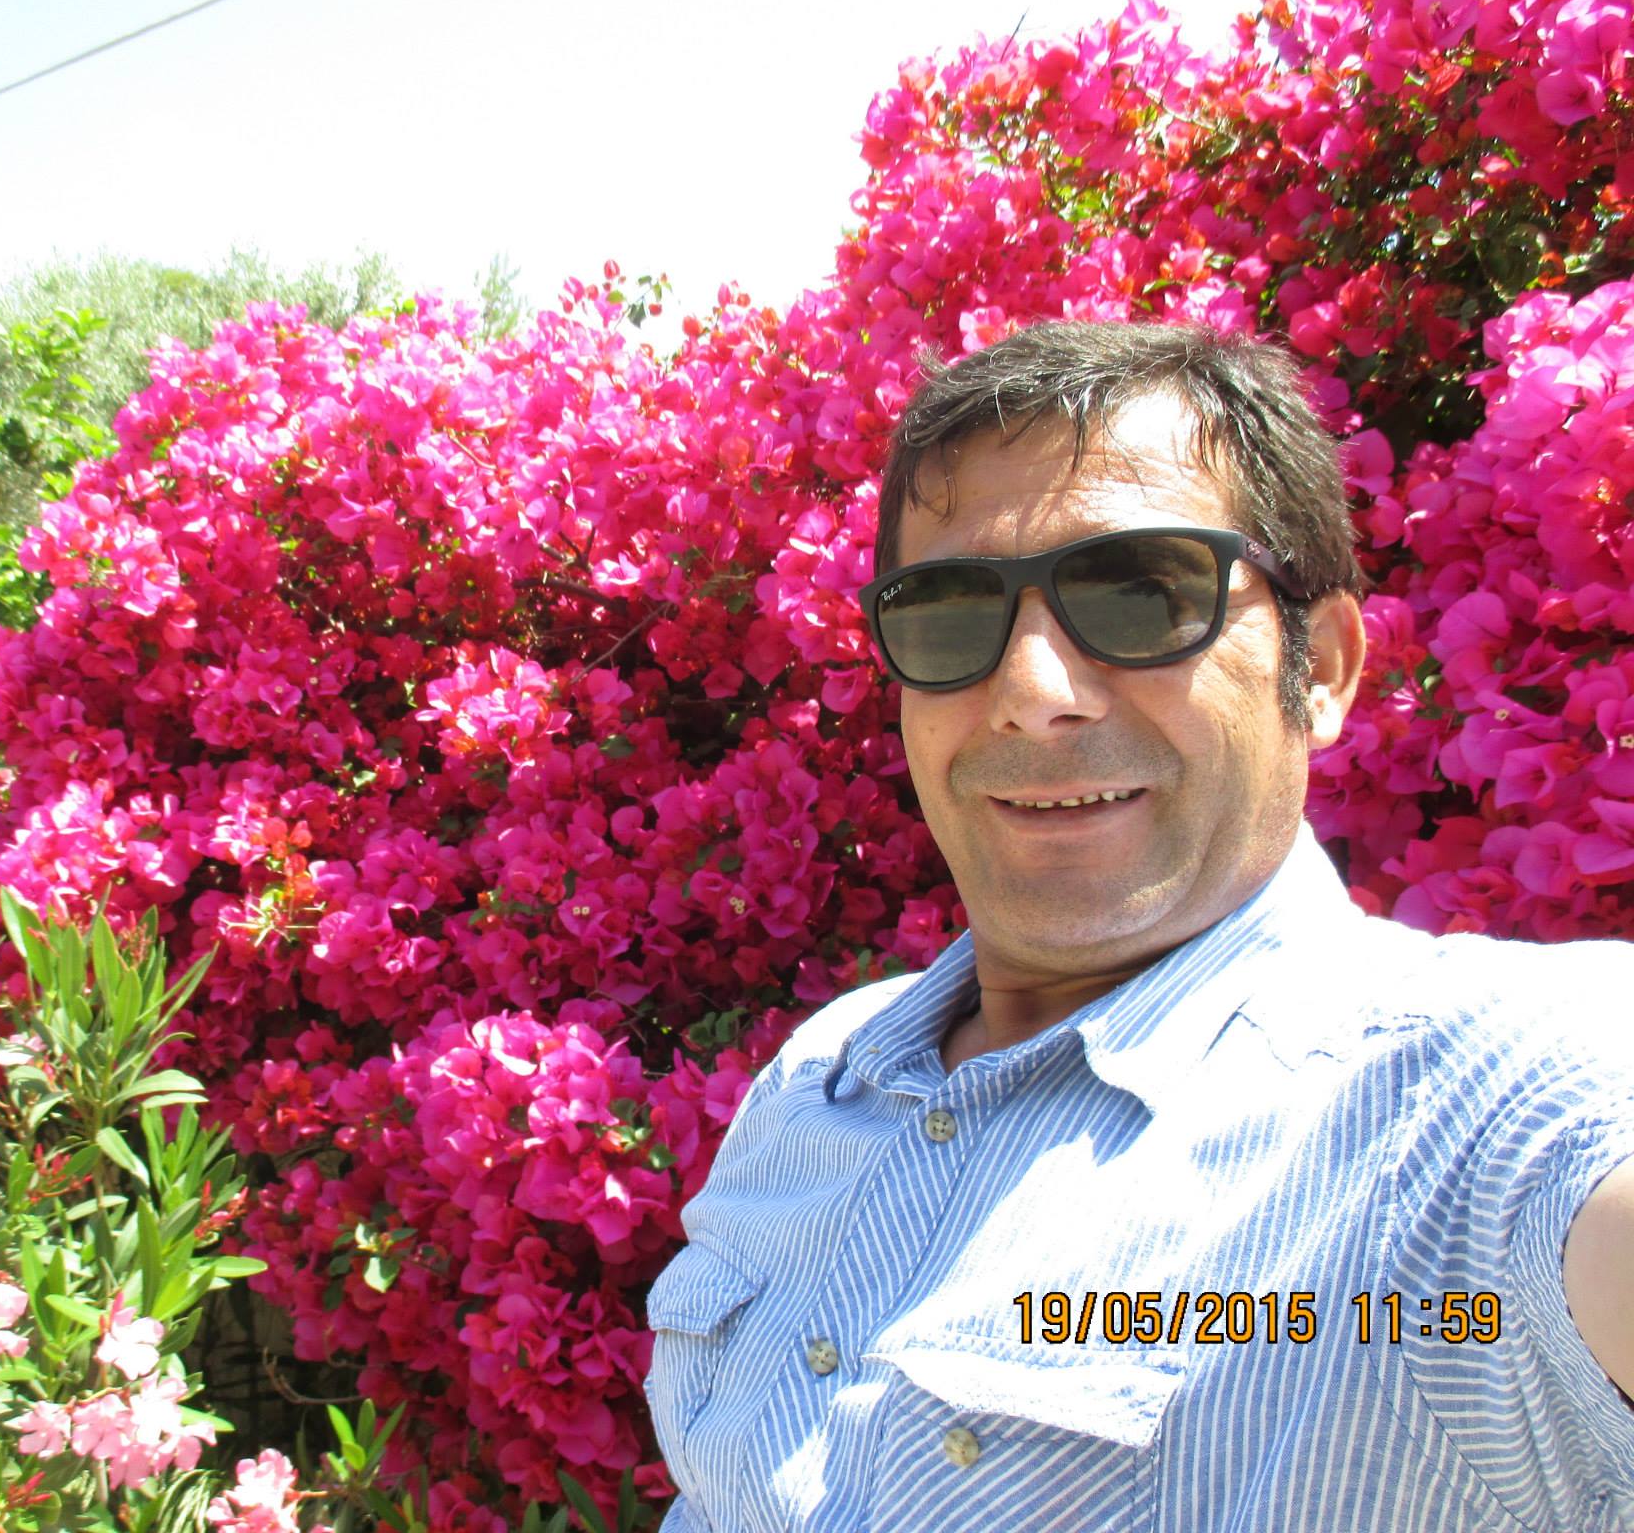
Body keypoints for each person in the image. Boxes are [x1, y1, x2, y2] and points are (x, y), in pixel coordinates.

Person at [644, 321, 1634, 1532]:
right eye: (947, 613)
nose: (1030, 693)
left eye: (1140, 593)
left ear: (1320, 668)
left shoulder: (1471, 1107)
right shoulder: (820, 1078)